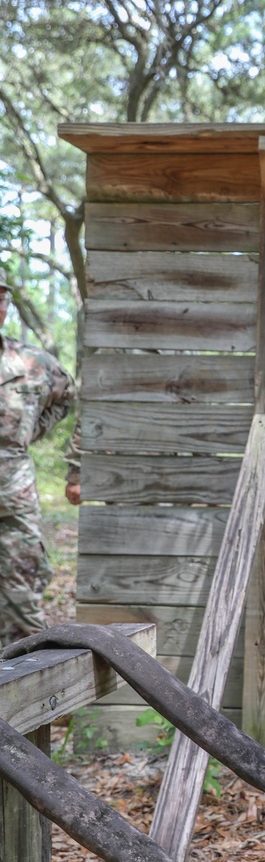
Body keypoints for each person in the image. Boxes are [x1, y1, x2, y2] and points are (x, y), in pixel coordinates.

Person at [0, 265, 79, 645]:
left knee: (24, 591)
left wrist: (32, 429)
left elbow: (71, 398)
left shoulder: (32, 364)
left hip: (12, 498)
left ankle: (24, 687)